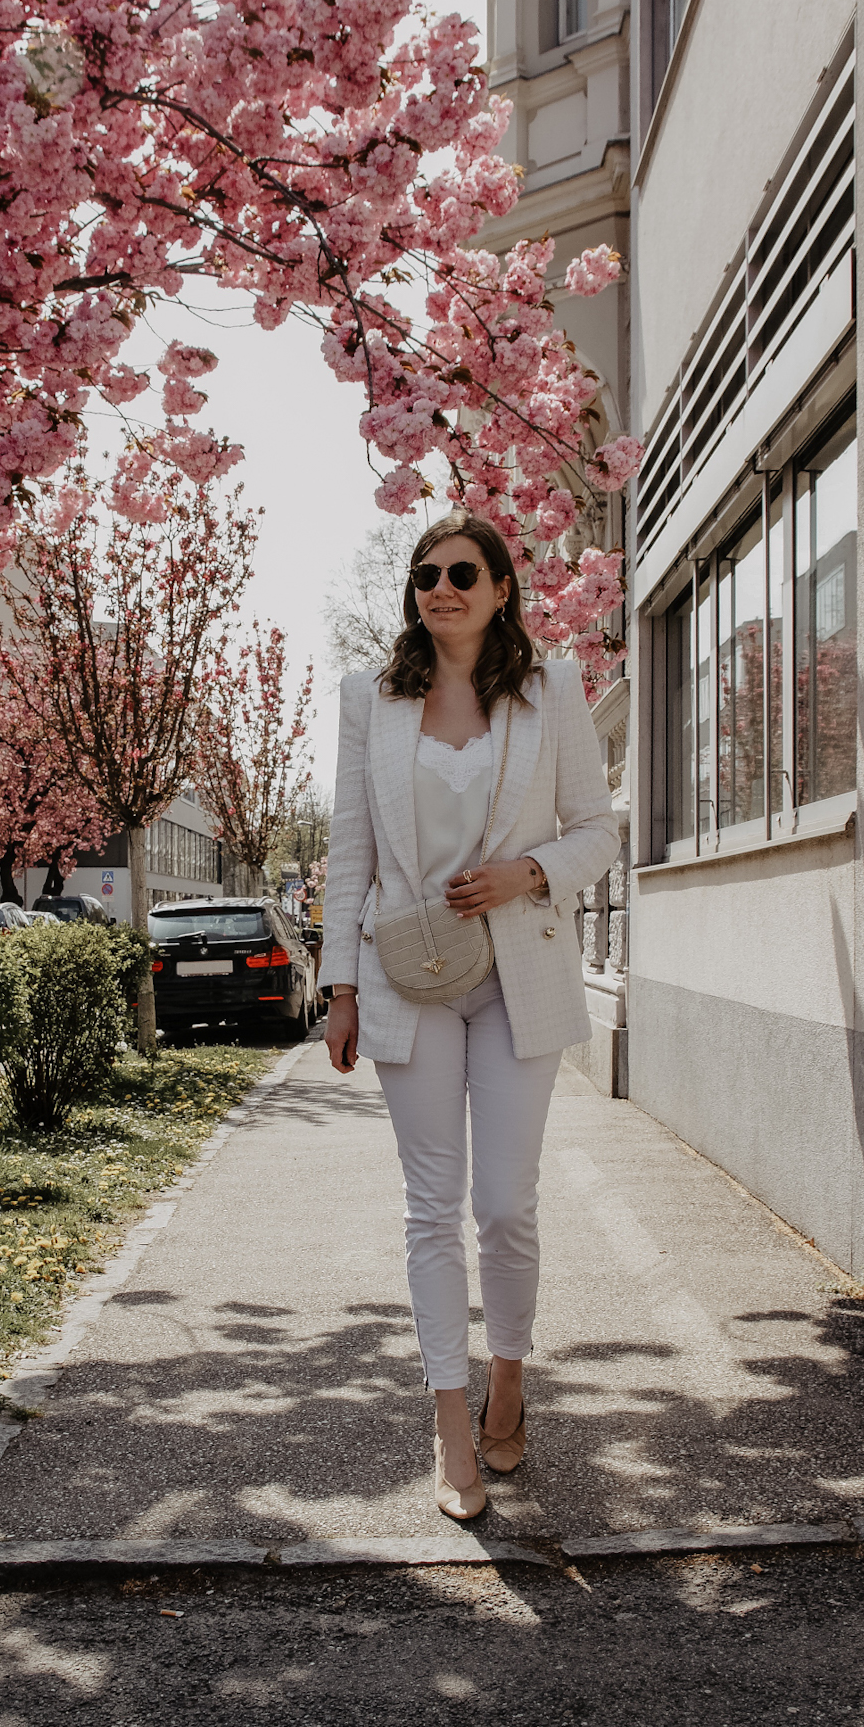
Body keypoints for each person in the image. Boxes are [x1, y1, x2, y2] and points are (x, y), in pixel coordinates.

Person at [320, 512, 620, 1521]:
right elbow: (350, 850)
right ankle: (449, 1423)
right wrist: (340, 985)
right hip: (405, 972)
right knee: (430, 1205)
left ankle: (508, 1376)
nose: (439, 588)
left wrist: (528, 870)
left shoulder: (553, 689)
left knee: (504, 1201)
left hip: (517, 971)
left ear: (500, 587)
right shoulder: (372, 700)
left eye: (461, 572)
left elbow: (597, 828)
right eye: (424, 574)